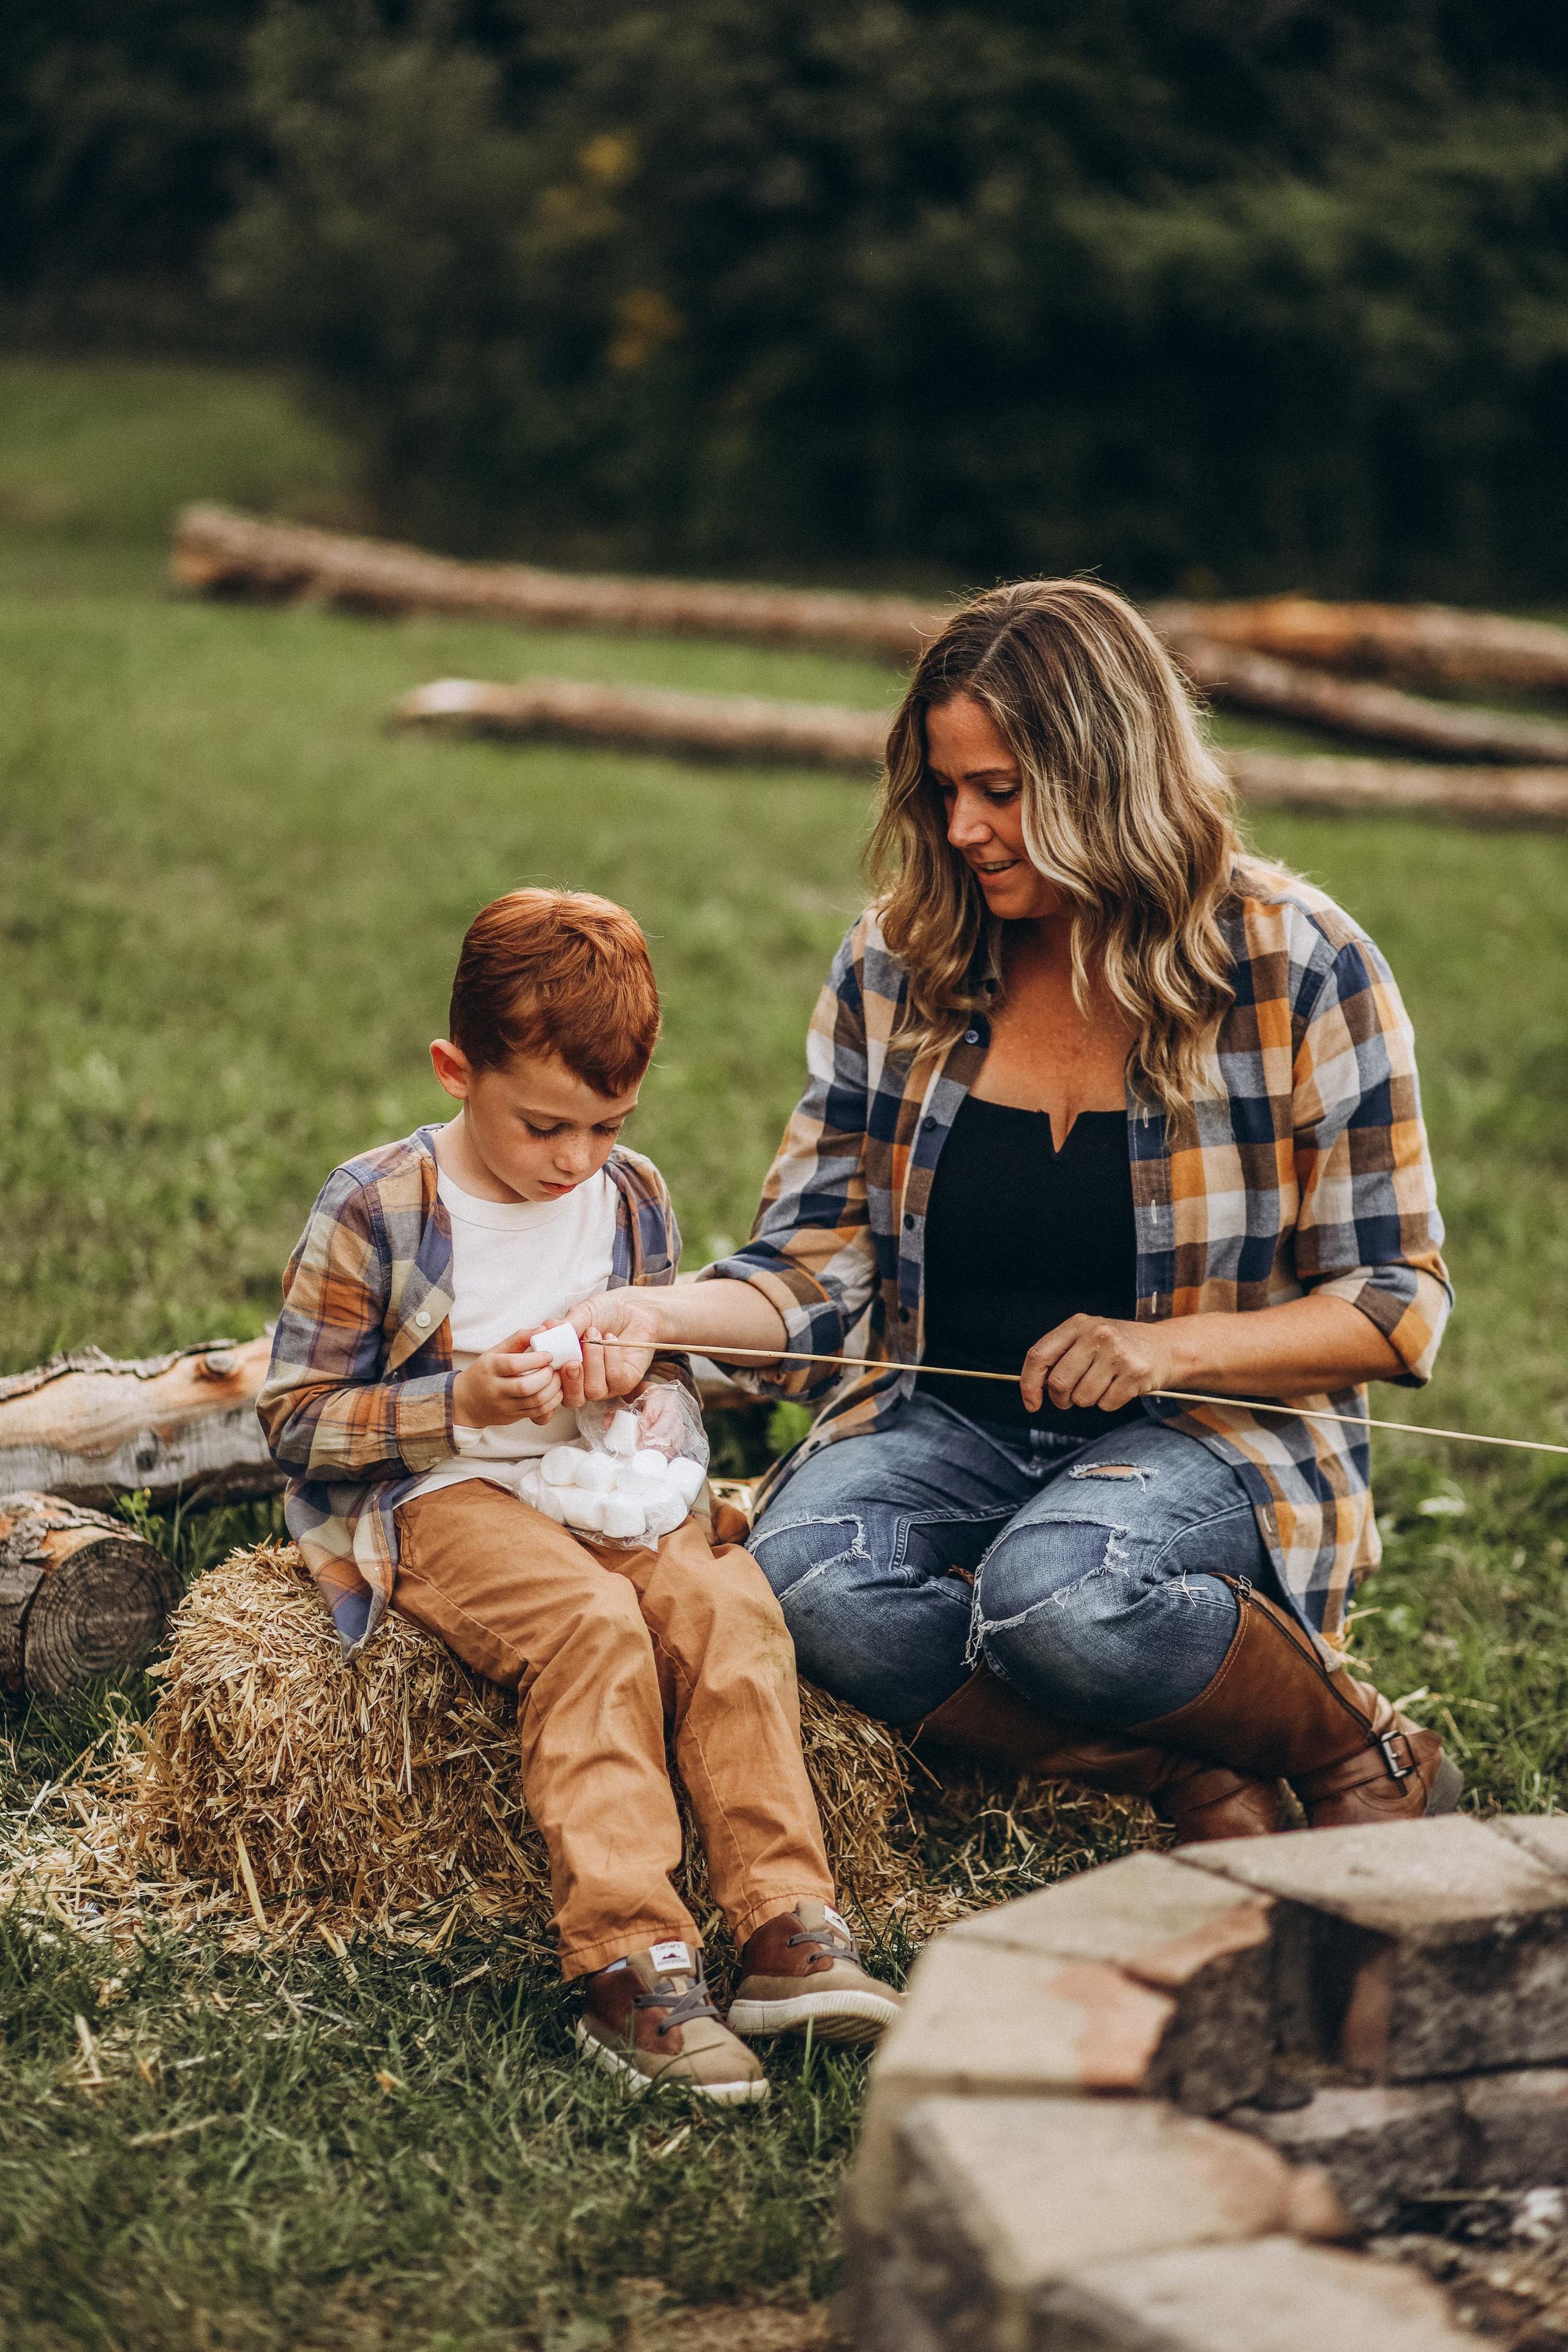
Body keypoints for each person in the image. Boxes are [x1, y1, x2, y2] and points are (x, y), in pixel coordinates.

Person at [573, 581, 1459, 1844]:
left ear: (1109, 775)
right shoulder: (900, 961)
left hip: (1201, 1441)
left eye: (1001, 791)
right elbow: (813, 1267)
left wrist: (1161, 1349)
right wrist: (652, 1311)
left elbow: (1395, 1305)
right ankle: (1180, 1773)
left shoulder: (1296, 962)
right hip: (948, 1426)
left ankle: (1356, 1746)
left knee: (1058, 1599)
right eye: (942, 791)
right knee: (804, 1583)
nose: (963, 828)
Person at [257, 888, 899, 2102]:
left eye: (604, 1127)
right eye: (544, 1125)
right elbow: (296, 1421)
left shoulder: (633, 1198)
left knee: (731, 1612)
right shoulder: (379, 1209)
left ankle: (785, 1928)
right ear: (457, 1069)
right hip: (444, 1495)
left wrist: (642, 1381)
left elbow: (657, 1358)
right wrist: (461, 1404)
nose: (573, 1161)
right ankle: (631, 1966)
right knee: (592, 1633)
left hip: (603, 1487)